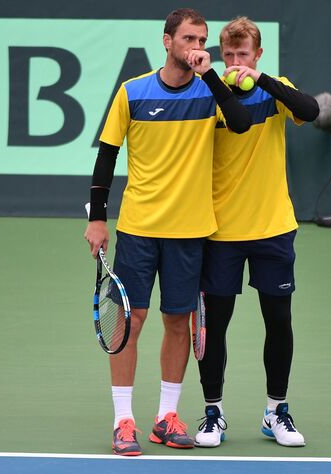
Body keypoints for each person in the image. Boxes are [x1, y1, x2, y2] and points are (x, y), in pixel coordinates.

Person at [84, 8, 250, 457]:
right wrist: (98, 218)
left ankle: (166, 417)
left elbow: (239, 122)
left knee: (178, 322)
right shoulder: (132, 92)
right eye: (189, 39)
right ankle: (123, 422)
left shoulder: (210, 93)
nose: (197, 48)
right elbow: (106, 157)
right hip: (139, 229)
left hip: (191, 231)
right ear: (166, 41)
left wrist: (212, 76)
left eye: (203, 41)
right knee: (130, 324)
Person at [194, 16, 320, 448]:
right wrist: (218, 80)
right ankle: (213, 413)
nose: (234, 63)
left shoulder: (274, 88)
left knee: (278, 321)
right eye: (227, 55)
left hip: (273, 228)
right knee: (216, 326)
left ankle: (275, 411)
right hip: (221, 231)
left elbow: (311, 111)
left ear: (258, 55)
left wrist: (261, 79)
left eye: (242, 55)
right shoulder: (209, 92)